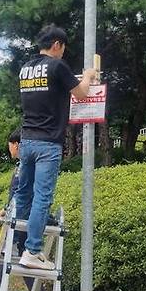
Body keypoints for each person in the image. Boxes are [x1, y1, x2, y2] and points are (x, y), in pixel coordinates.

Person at [15, 24, 97, 270]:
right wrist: (90, 75)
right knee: (42, 197)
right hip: (47, 143)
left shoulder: (25, 69)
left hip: (26, 139)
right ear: (57, 45)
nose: (63, 53)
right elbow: (81, 94)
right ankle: (32, 251)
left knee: (23, 193)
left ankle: (18, 241)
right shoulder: (58, 66)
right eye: (63, 48)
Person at [0, 127, 51, 291]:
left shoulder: (26, 166)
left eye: (10, 146)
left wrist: (10, 217)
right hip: (23, 218)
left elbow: (21, 197)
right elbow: (16, 196)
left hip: (20, 221)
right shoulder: (28, 164)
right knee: (25, 261)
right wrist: (1, 212)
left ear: (17, 144)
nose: (9, 150)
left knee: (4, 259)